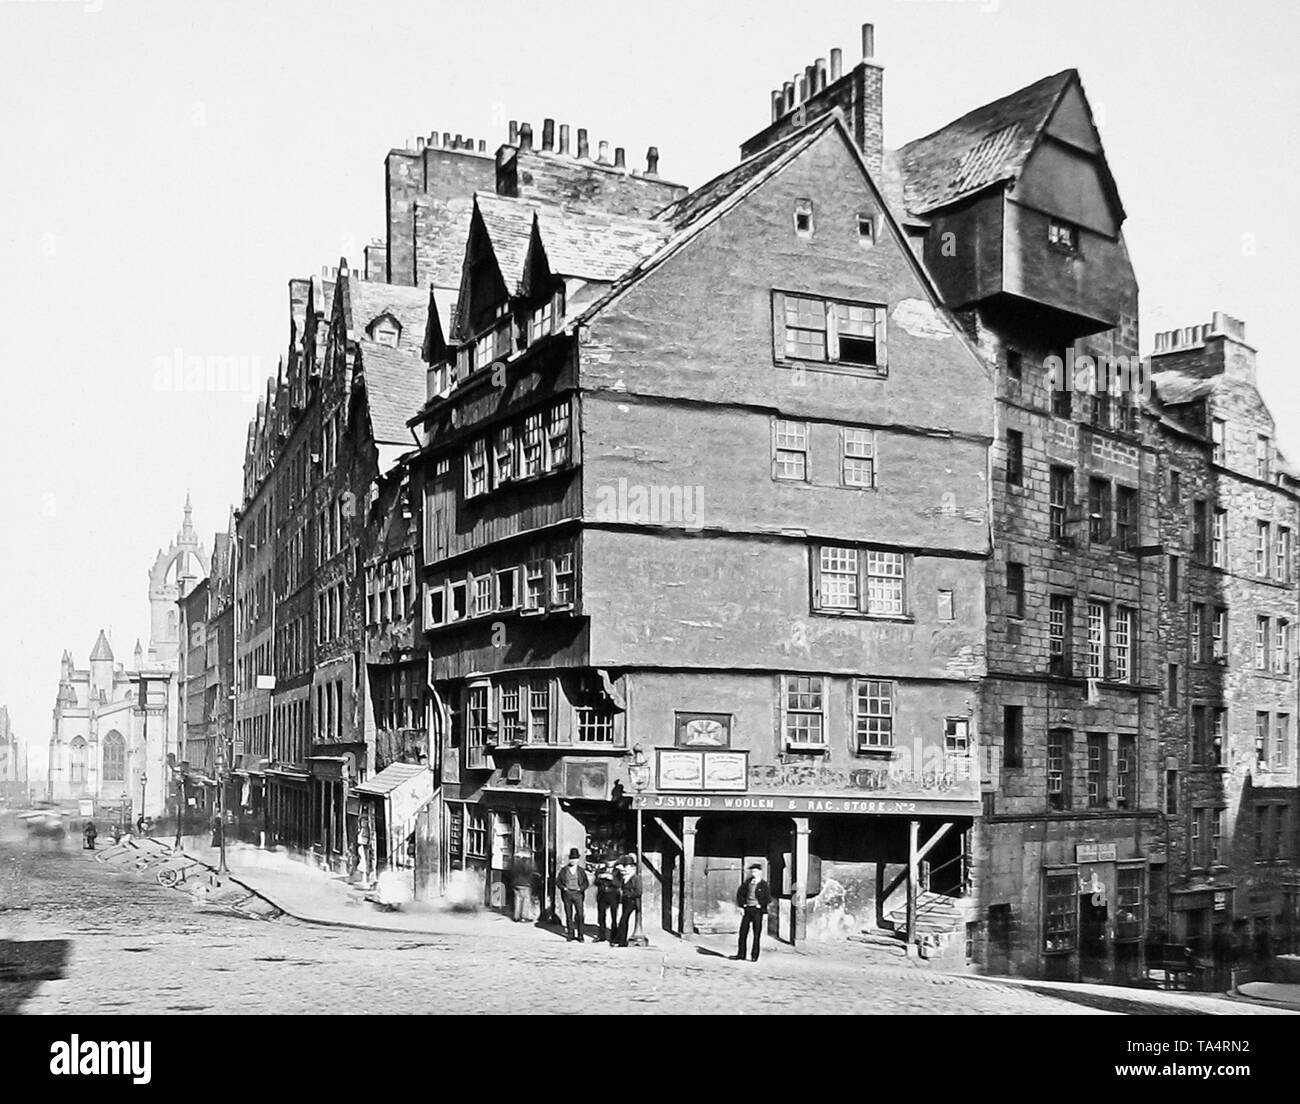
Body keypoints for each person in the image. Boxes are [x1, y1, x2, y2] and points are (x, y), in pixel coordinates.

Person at [733, 864, 773, 962]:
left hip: (757, 911)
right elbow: (740, 894)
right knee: (743, 933)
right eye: (752, 872)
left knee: (756, 934)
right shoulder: (747, 883)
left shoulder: (763, 884)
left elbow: (767, 898)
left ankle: (754, 955)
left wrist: (763, 908)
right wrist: (742, 906)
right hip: (747, 909)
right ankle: (741, 954)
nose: (753, 873)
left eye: (755, 871)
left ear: (760, 872)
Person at [556, 848, 590, 941]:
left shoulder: (581, 871)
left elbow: (586, 883)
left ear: (578, 860)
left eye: (575, 859)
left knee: (580, 914)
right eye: (571, 859)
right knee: (569, 914)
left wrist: (581, 888)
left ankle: (580, 935)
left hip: (578, 894)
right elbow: (558, 882)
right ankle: (570, 934)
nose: (573, 861)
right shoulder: (564, 870)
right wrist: (564, 888)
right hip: (567, 894)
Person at [615, 857, 642, 947]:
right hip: (625, 901)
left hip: (632, 902)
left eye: (627, 867)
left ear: (632, 867)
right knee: (623, 920)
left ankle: (621, 941)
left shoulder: (635, 878)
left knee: (623, 920)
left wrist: (628, 894)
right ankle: (621, 940)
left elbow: (639, 892)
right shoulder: (625, 877)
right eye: (625, 866)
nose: (626, 868)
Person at [594, 857, 622, 942]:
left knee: (614, 916)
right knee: (601, 916)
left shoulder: (618, 872)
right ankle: (601, 936)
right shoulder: (601, 870)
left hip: (613, 895)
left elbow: (619, 884)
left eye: (612, 861)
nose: (609, 863)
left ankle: (613, 936)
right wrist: (600, 877)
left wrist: (612, 878)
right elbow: (595, 882)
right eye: (608, 860)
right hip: (602, 895)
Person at [510, 848, 537, 923]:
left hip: (516, 883)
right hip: (525, 883)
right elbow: (531, 870)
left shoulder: (515, 861)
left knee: (517, 899)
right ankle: (524, 917)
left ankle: (516, 916)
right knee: (526, 900)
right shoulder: (527, 862)